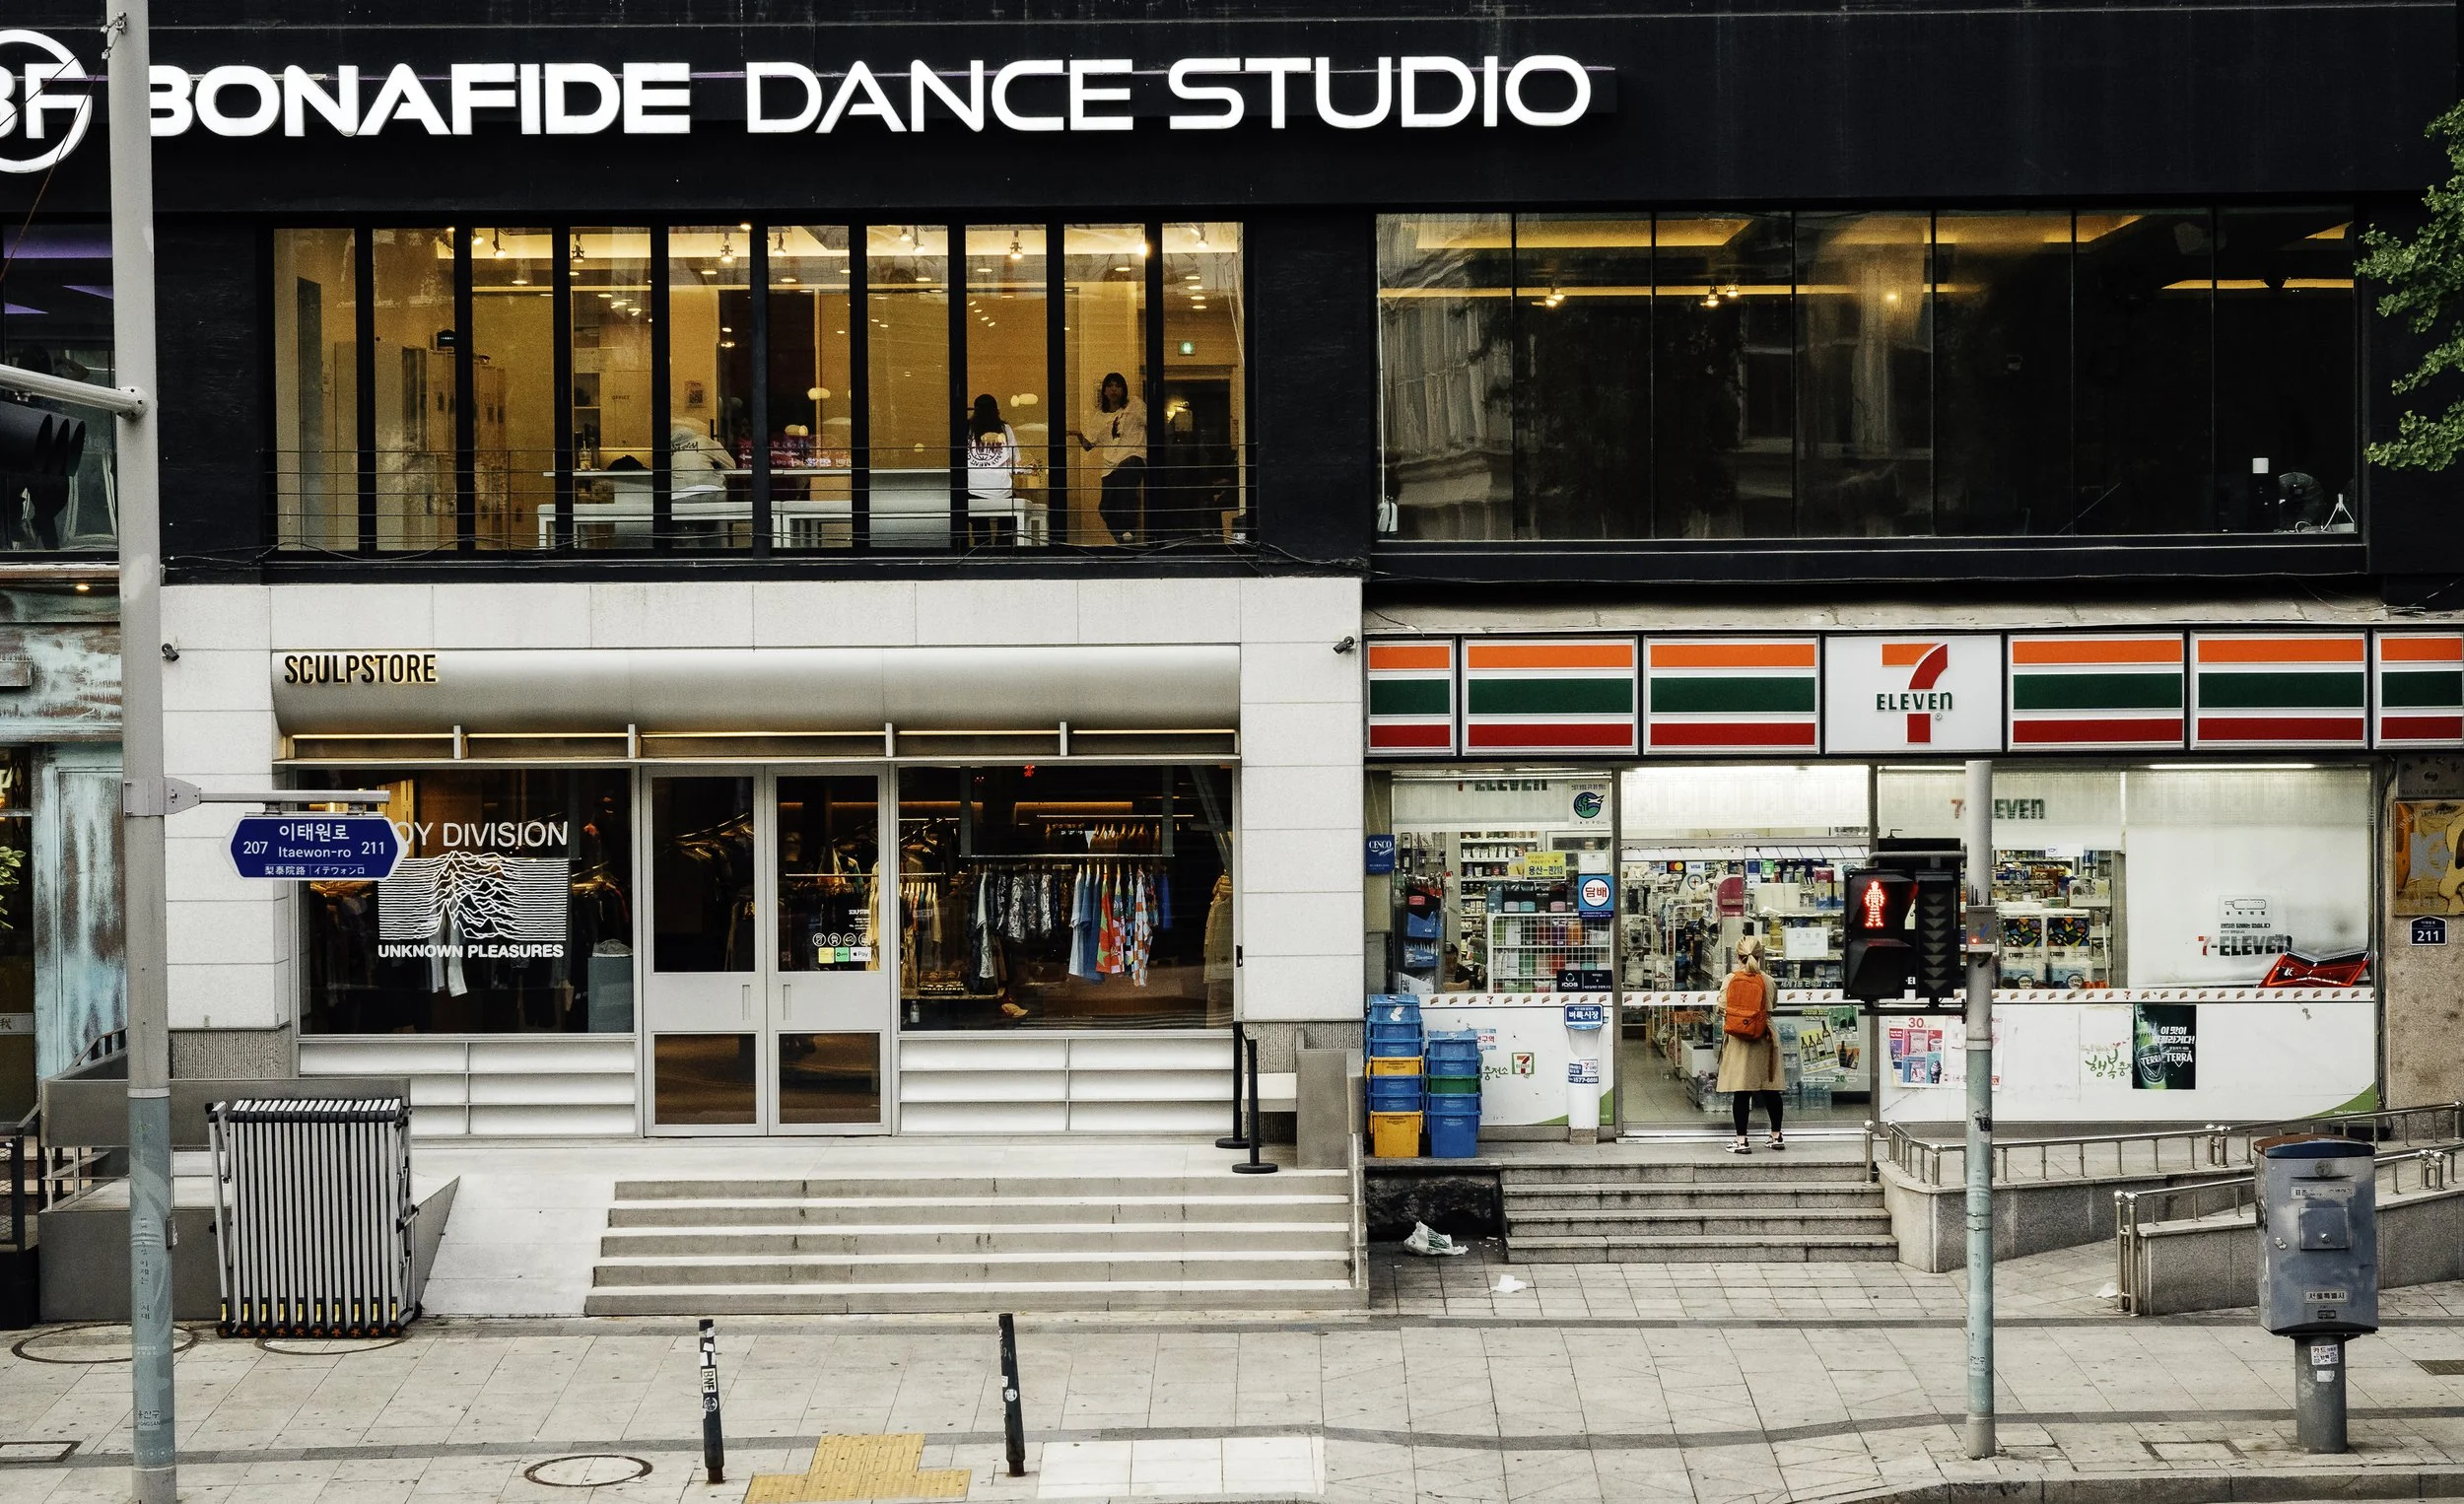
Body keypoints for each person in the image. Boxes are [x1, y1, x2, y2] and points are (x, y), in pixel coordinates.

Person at [1717, 933, 1785, 1153]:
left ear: (1738, 957)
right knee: (1770, 1089)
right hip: (1765, 1034)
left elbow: (1722, 1006)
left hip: (1740, 1037)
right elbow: (1773, 1005)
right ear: (1760, 956)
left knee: (1741, 1090)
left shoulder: (1731, 978)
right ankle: (1776, 1136)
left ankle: (1742, 1141)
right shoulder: (1768, 980)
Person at [1067, 372, 1145, 545]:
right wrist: (1079, 435)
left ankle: (1129, 529)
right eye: (1110, 386)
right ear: (1104, 391)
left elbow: (1152, 423)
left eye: (1118, 386)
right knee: (1105, 508)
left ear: (1124, 389)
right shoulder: (1099, 416)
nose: (1114, 389)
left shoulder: (1134, 404)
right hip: (1110, 464)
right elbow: (1088, 445)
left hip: (1133, 456)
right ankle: (1123, 539)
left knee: (1126, 487)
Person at [965, 394, 1022, 546]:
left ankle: (981, 554)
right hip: (1002, 491)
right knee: (1007, 526)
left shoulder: (967, 429)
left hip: (974, 490)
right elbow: (1014, 460)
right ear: (996, 410)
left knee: (980, 532)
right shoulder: (1005, 428)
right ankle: (1002, 551)